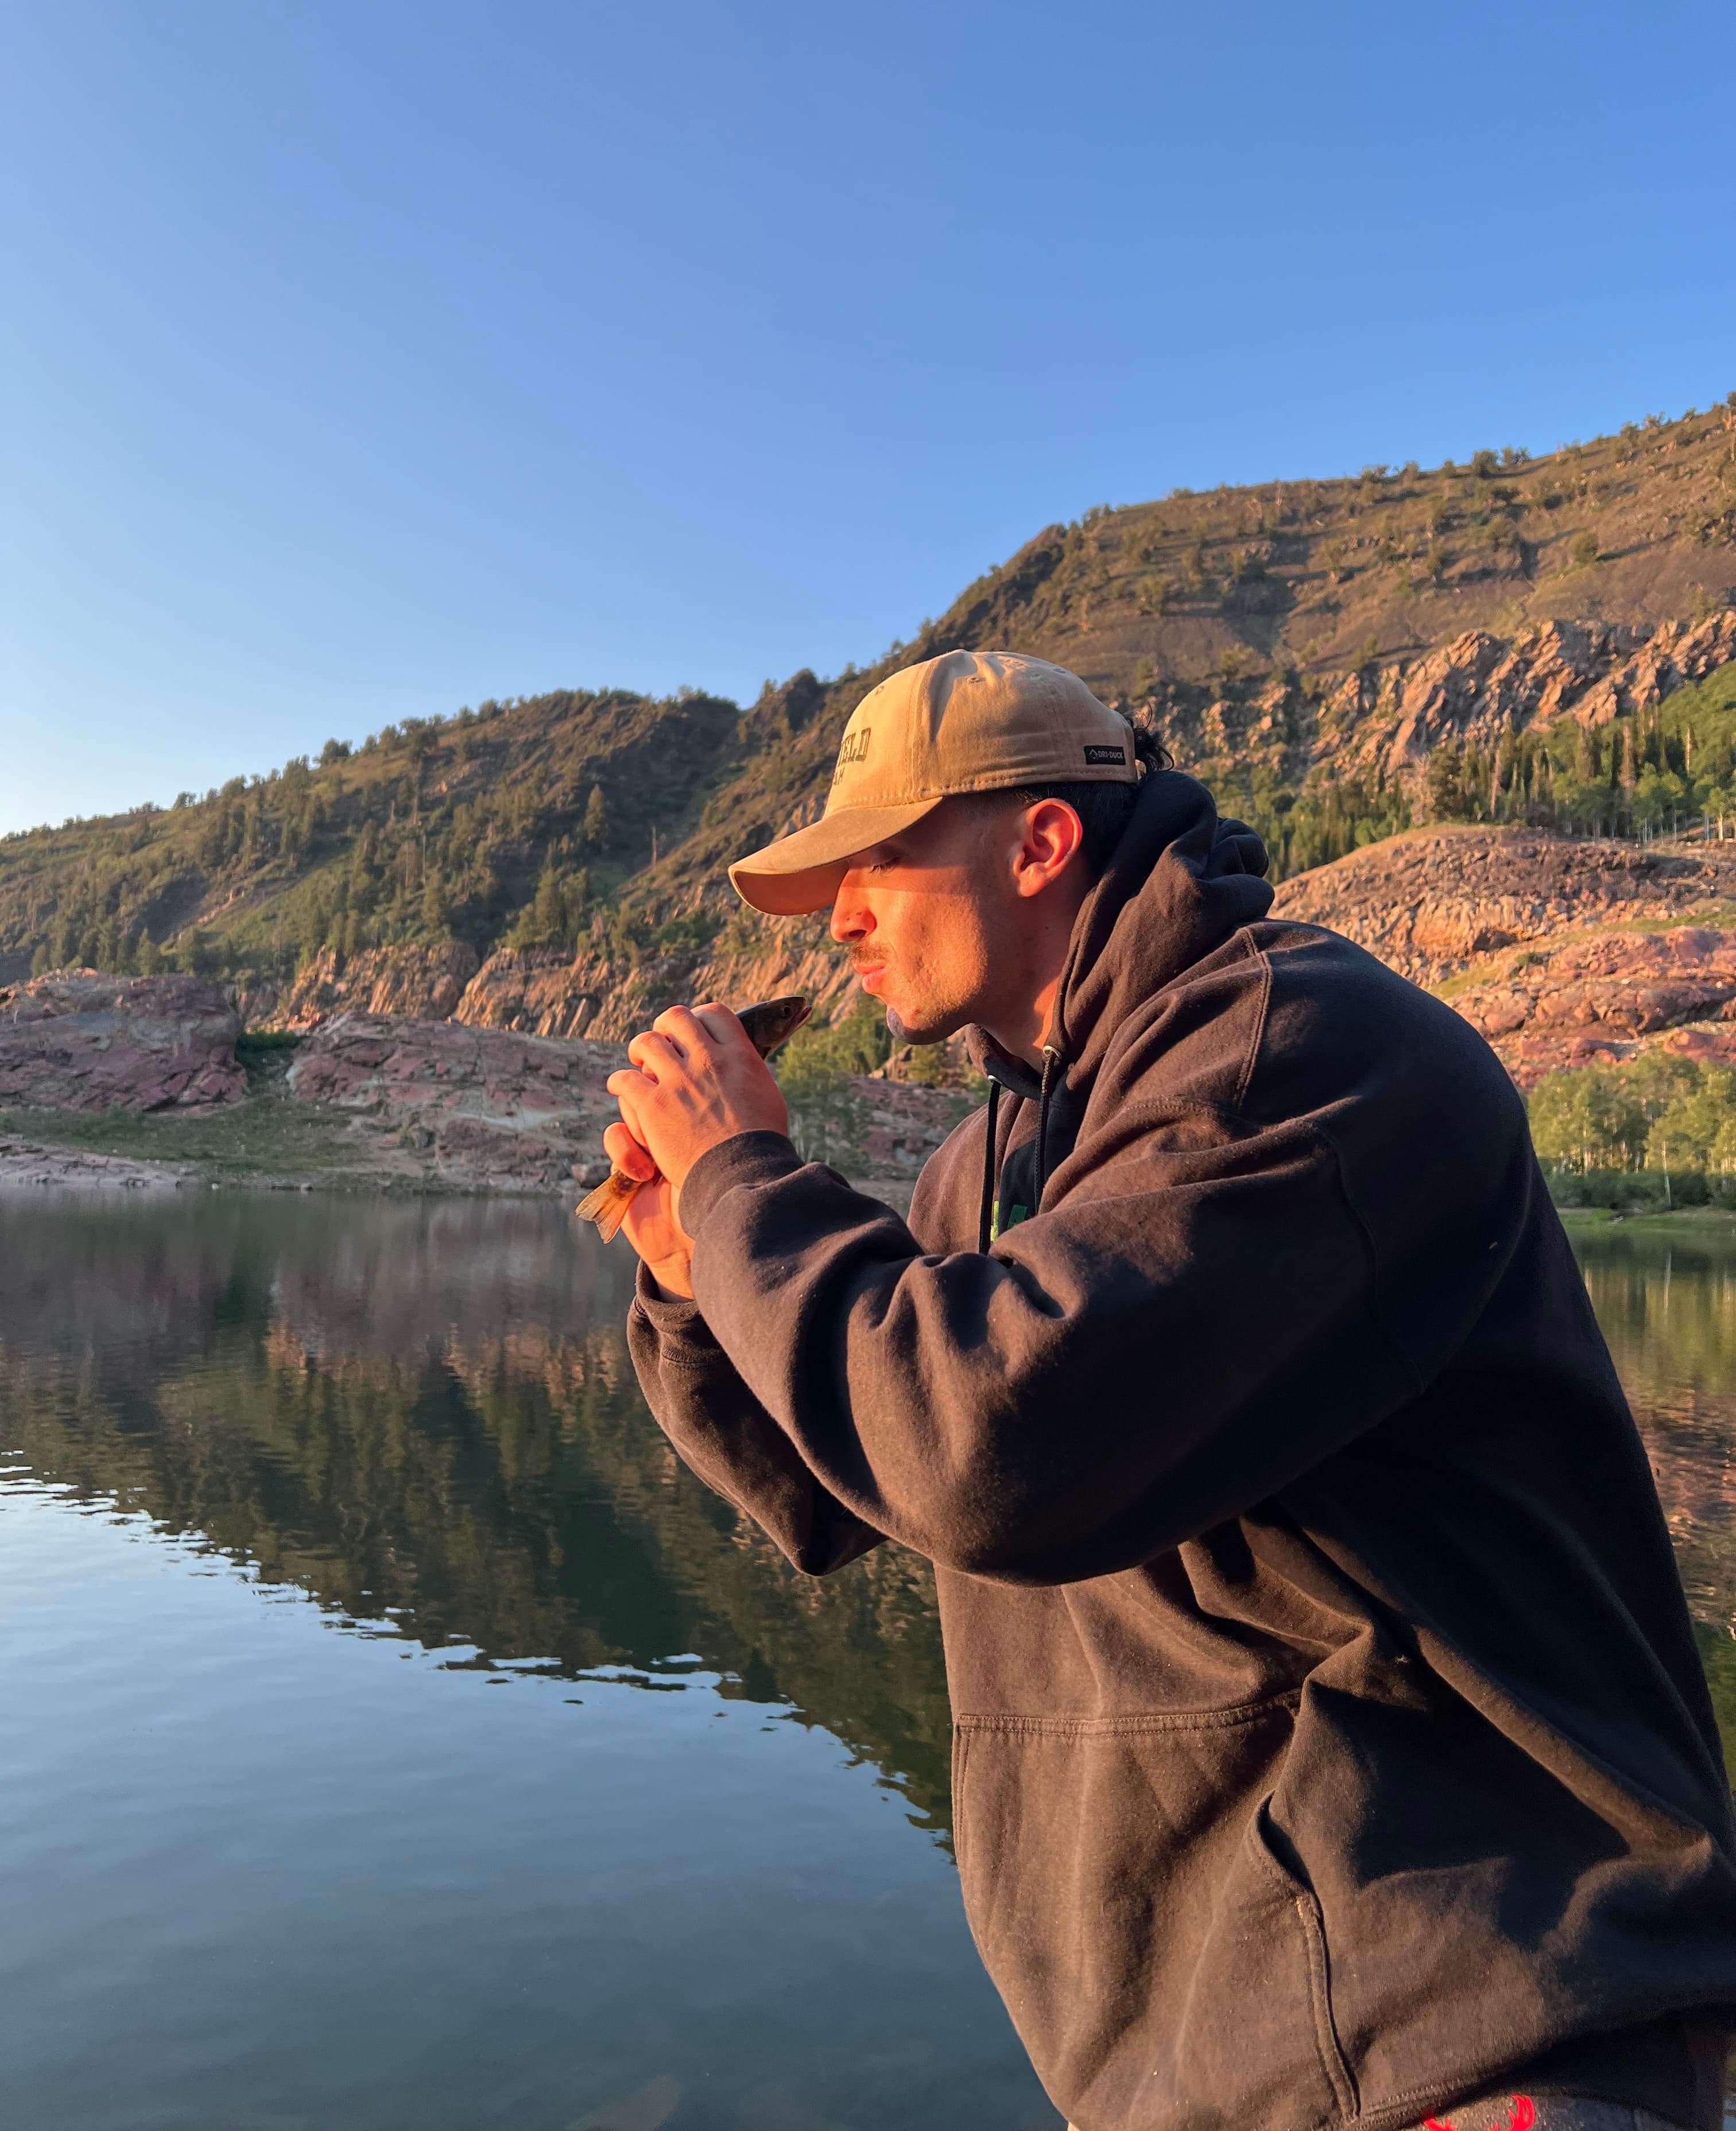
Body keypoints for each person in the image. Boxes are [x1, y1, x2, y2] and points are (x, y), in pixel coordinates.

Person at [602, 648, 1736, 2131]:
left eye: (880, 857)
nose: (844, 915)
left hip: (1461, 2032)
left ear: (1040, 842)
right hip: (1207, 2064)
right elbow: (840, 1487)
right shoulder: (996, 1170)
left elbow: (985, 1451)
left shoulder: (1304, 1053)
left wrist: (748, 1178)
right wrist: (694, 1274)